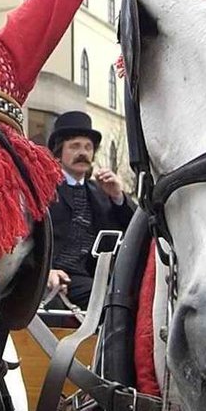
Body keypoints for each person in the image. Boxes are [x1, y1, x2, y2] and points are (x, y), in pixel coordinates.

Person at [46, 111, 135, 308]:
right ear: (59, 153)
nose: (83, 153)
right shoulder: (43, 189)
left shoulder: (100, 192)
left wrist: (117, 196)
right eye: (75, 146)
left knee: (120, 304)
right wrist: (45, 272)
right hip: (48, 276)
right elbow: (28, 238)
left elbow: (133, 230)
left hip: (89, 277)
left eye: (88, 147)